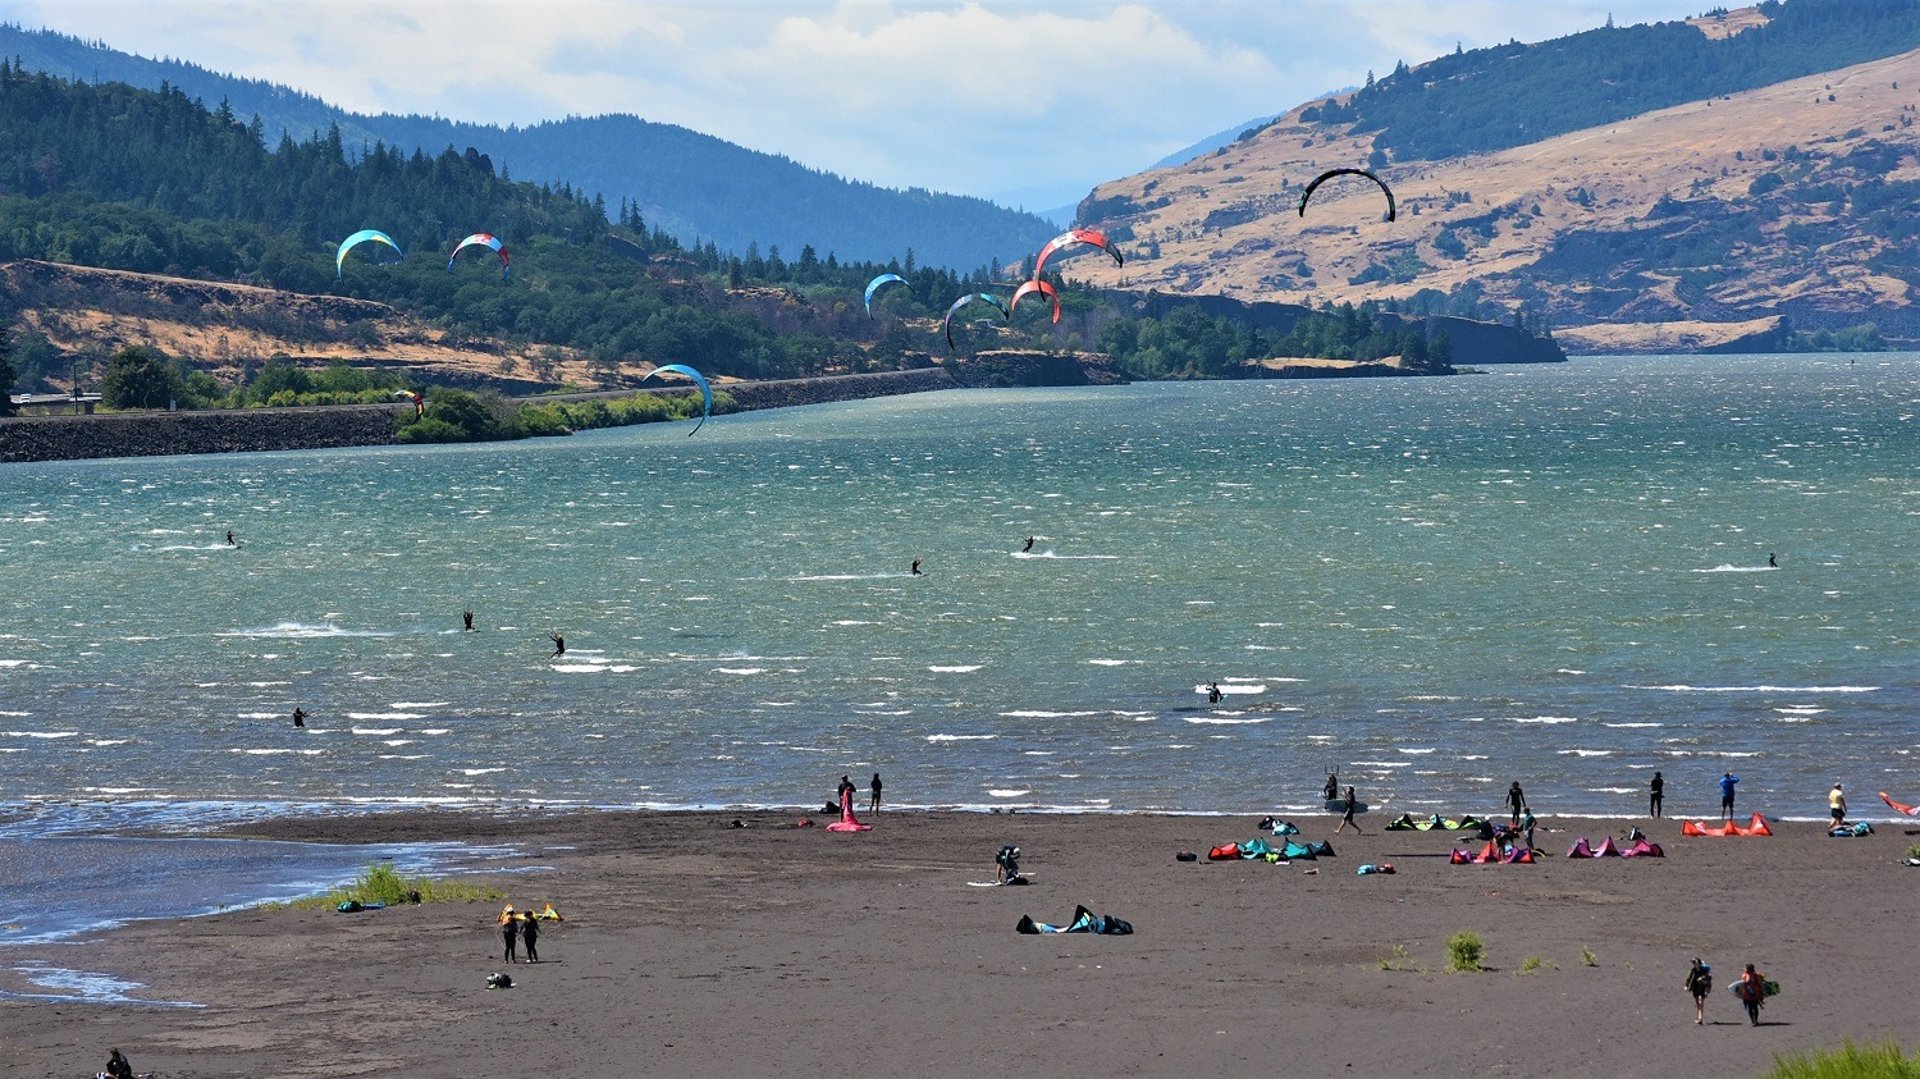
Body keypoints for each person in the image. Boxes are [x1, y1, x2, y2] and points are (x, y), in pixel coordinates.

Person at [1684, 959, 1712, 1025]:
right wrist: (1686, 985)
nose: (1694, 964)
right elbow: (1689, 978)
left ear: (1699, 963)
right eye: (1693, 963)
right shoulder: (1693, 970)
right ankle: (1698, 1018)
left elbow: (1708, 977)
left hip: (1703, 987)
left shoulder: (1704, 970)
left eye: (1695, 962)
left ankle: (1700, 1019)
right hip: (1695, 988)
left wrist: (1702, 978)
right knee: (1698, 1003)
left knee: (1701, 1002)